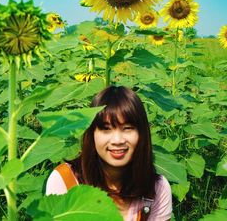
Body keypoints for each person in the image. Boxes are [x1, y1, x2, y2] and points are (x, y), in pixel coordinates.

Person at [45, 86, 172, 221]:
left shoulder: (156, 189)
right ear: (91, 134)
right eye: (106, 129)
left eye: (127, 128)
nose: (117, 140)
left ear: (141, 134)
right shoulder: (66, 181)